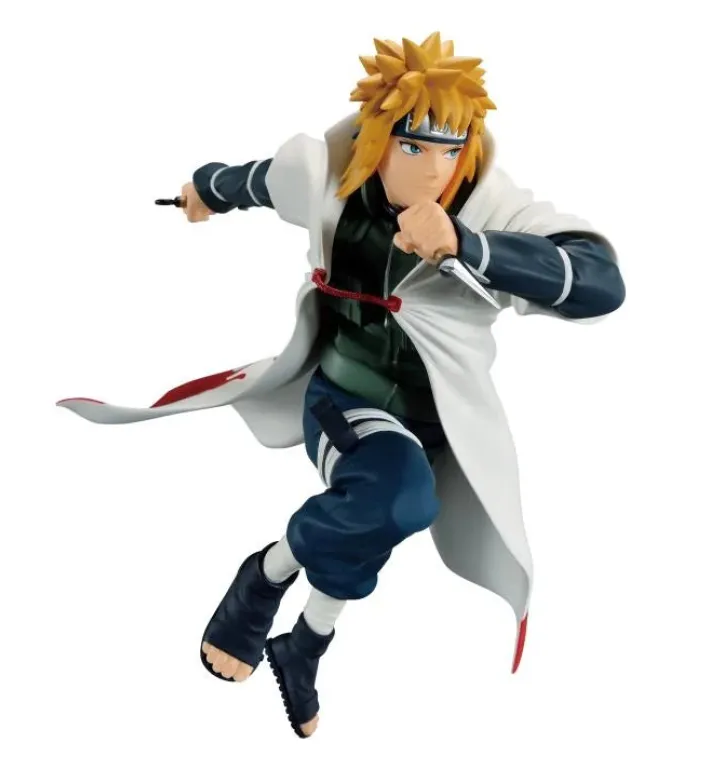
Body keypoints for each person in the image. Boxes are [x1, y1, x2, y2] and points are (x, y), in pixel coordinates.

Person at [58, 32, 625, 739]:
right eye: (412, 147)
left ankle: (303, 642)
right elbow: (259, 180)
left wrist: (470, 245)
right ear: (378, 139)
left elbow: (599, 281)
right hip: (344, 397)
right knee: (398, 499)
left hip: (439, 420)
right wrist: (204, 189)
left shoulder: (489, 208)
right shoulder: (329, 178)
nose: (433, 170)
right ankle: (265, 578)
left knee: (373, 517)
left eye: (450, 150)